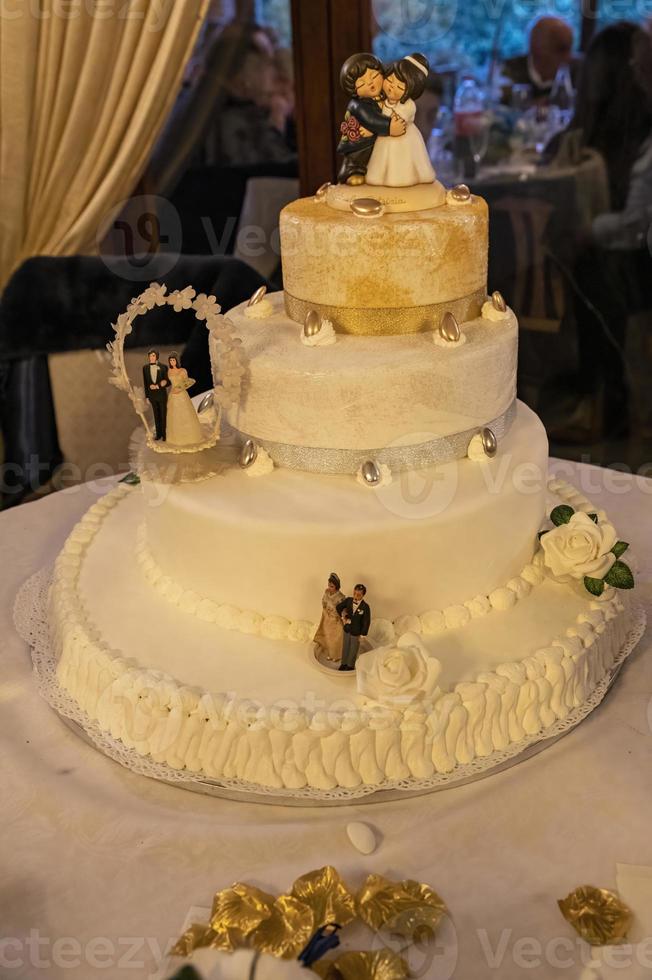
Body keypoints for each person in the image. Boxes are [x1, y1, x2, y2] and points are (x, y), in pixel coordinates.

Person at [548, 22, 652, 443]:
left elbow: (634, 223)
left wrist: (588, 232)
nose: (637, 72)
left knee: (591, 269)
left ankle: (601, 402)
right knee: (584, 262)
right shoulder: (633, 123)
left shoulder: (623, 125)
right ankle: (598, 397)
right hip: (635, 252)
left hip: (636, 259)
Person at [365, 53, 436, 187]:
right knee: (382, 160)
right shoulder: (381, 101)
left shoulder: (407, 106)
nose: (392, 87)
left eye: (432, 116)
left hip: (402, 137)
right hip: (386, 136)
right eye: (390, 81)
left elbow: (400, 118)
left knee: (400, 160)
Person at [337, 52, 407, 185]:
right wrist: (389, 127)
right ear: (353, 89)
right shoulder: (358, 104)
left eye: (374, 76)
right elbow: (371, 119)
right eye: (362, 83)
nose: (370, 83)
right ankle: (352, 171)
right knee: (359, 156)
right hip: (361, 141)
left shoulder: (385, 96)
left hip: (380, 136)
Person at [502, 15, 580, 103]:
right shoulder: (510, 70)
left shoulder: (580, 73)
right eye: (561, 49)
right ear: (535, 48)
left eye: (570, 49)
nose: (569, 57)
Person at [165, 353, 205, 447]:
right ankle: (175, 437)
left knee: (185, 412)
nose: (172, 362)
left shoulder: (182, 371)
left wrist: (179, 389)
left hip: (181, 393)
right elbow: (167, 382)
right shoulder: (169, 371)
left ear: (176, 361)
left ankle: (190, 436)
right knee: (174, 414)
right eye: (170, 360)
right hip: (173, 395)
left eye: (173, 360)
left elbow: (187, 382)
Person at [337, 585, 371, 671]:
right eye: (354, 593)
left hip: (356, 631)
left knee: (353, 648)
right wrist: (343, 616)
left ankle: (350, 665)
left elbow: (366, 621)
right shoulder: (348, 600)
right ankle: (343, 663)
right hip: (347, 628)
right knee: (345, 647)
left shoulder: (365, 607)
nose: (355, 596)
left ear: (363, 595)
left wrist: (363, 634)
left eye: (358, 595)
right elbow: (339, 607)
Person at [313, 573, 345, 663]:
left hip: (335, 621)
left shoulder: (340, 597)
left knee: (335, 639)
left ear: (336, 586)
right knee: (328, 638)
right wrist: (325, 609)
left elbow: (343, 609)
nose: (329, 588)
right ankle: (330, 653)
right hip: (327, 619)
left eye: (332, 586)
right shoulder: (326, 592)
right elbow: (323, 601)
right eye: (329, 585)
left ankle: (336, 655)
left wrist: (341, 616)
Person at [142, 350, 169, 441]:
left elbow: (168, 382)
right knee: (156, 415)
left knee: (163, 415)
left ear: (157, 356)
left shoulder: (163, 367)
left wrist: (161, 384)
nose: (151, 357)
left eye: (153, 355)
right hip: (152, 396)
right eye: (150, 356)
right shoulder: (145, 368)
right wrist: (146, 396)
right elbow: (145, 383)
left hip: (161, 395)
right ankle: (159, 434)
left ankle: (165, 435)